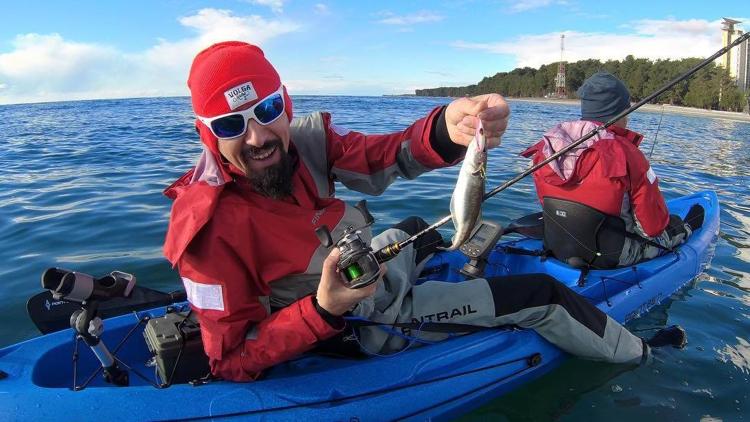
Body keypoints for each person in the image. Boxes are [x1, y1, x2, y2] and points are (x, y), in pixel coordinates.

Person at [163, 42, 678, 382]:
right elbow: (230, 360)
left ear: (286, 104)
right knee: (545, 295)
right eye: (230, 124)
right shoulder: (206, 231)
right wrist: (323, 310)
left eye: (268, 111)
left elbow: (383, 154)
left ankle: (455, 263)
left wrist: (447, 128)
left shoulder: (304, 145)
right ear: (205, 133)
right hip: (357, 323)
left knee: (414, 229)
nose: (257, 137)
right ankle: (642, 353)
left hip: (365, 272)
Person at [522, 71, 703, 268]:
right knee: (676, 226)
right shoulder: (628, 155)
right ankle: (689, 227)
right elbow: (653, 228)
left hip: (559, 245)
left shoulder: (546, 149)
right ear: (620, 111)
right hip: (612, 256)